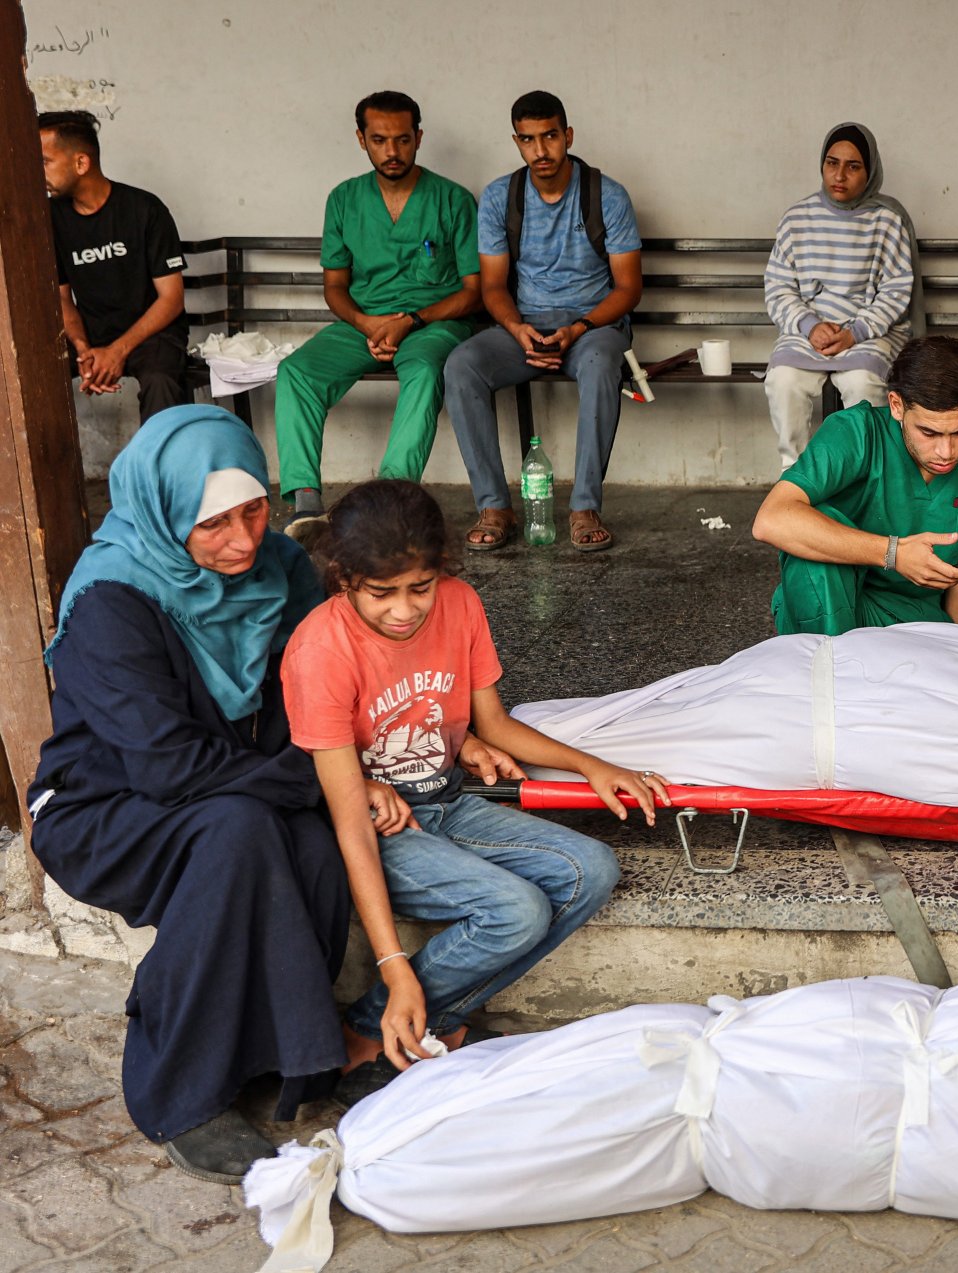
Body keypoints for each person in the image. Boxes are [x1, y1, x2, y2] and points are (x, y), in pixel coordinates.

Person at [26, 407, 345, 1183]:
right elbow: (165, 765)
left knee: (314, 844)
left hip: (231, 788)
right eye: (212, 523)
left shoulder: (281, 568)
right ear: (166, 511)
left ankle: (276, 1058)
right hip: (104, 804)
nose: (241, 539)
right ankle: (178, 1089)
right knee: (245, 832)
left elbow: (321, 692)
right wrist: (317, 777)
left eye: (254, 509)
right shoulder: (113, 596)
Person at [280, 479, 658, 1105]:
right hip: (375, 830)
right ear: (343, 577)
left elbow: (496, 725)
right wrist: (392, 962)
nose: (405, 610)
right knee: (515, 910)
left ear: (440, 572)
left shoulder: (460, 604)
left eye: (418, 588)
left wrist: (593, 766)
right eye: (382, 594)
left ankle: (392, 1023)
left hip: (445, 802)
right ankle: (395, 1021)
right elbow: (349, 822)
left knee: (593, 867)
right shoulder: (321, 649)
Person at [444, 90, 643, 553]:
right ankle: (495, 506)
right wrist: (517, 330)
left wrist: (578, 328)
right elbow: (492, 286)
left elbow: (628, 288)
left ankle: (584, 507)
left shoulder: (605, 195)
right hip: (525, 328)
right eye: (529, 140)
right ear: (516, 141)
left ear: (567, 135)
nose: (541, 150)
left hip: (593, 329)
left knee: (598, 366)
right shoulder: (500, 197)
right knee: (461, 365)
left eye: (550, 136)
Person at [275, 91, 482, 518]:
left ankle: (390, 498)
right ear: (361, 139)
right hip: (363, 323)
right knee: (296, 372)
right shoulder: (344, 200)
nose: (392, 151)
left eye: (403, 139)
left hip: (432, 324)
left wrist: (411, 320)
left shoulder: (452, 199)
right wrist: (366, 324)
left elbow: (473, 291)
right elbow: (335, 286)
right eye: (380, 139)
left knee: (425, 371)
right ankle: (307, 503)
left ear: (419, 137)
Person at [751, 336, 958, 634]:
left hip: (916, 618)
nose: (946, 452)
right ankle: (831, 668)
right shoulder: (855, 432)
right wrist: (893, 553)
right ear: (896, 406)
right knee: (817, 527)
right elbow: (770, 520)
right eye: (928, 433)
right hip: (832, 604)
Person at [762, 122, 921, 468]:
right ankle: (796, 478)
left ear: (871, 170)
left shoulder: (887, 220)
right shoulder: (797, 219)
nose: (839, 175)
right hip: (809, 332)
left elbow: (896, 290)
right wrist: (809, 325)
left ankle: (865, 478)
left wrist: (855, 332)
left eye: (853, 166)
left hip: (868, 332)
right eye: (832, 163)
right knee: (783, 380)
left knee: (864, 384)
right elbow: (778, 286)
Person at [39, 110, 189, 421]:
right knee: (30, 371)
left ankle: (153, 470)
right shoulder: (50, 218)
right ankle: (44, 471)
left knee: (161, 381)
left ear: (81, 163)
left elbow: (171, 299)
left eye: (44, 162)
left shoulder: (144, 209)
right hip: (92, 334)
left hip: (152, 333)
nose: (36, 172)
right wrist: (82, 348)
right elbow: (63, 298)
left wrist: (117, 351)